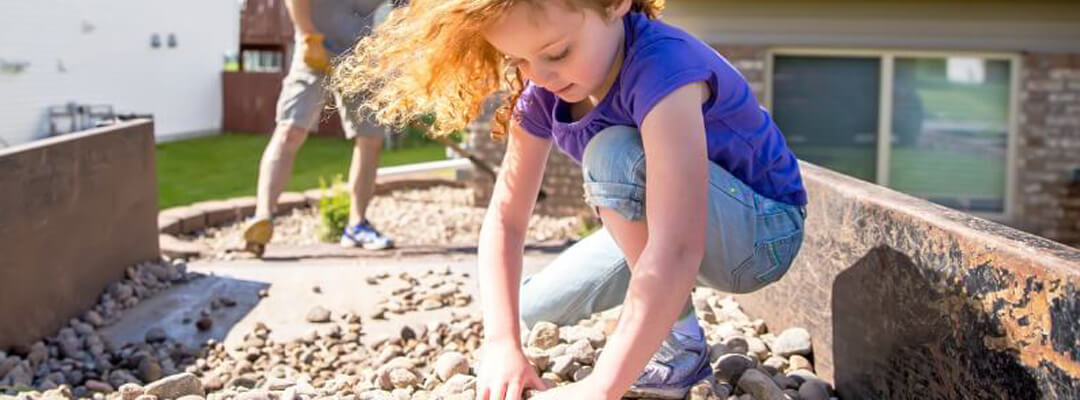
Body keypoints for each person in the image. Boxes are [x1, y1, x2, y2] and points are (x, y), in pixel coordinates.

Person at [330, 0, 808, 398]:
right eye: (518, 61)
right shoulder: (540, 90)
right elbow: (506, 221)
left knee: (612, 153)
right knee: (525, 311)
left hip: (761, 234)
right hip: (671, 226)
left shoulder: (664, 69)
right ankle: (652, 324)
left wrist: (602, 386)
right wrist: (501, 343)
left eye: (556, 53)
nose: (540, 75)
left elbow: (679, 249)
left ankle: (679, 347)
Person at [242, 0, 395, 256]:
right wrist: (308, 35)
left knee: (370, 138)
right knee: (290, 131)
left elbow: (407, 11)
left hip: (362, 58)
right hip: (316, 47)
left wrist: (387, 53)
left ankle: (357, 226)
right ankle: (262, 218)